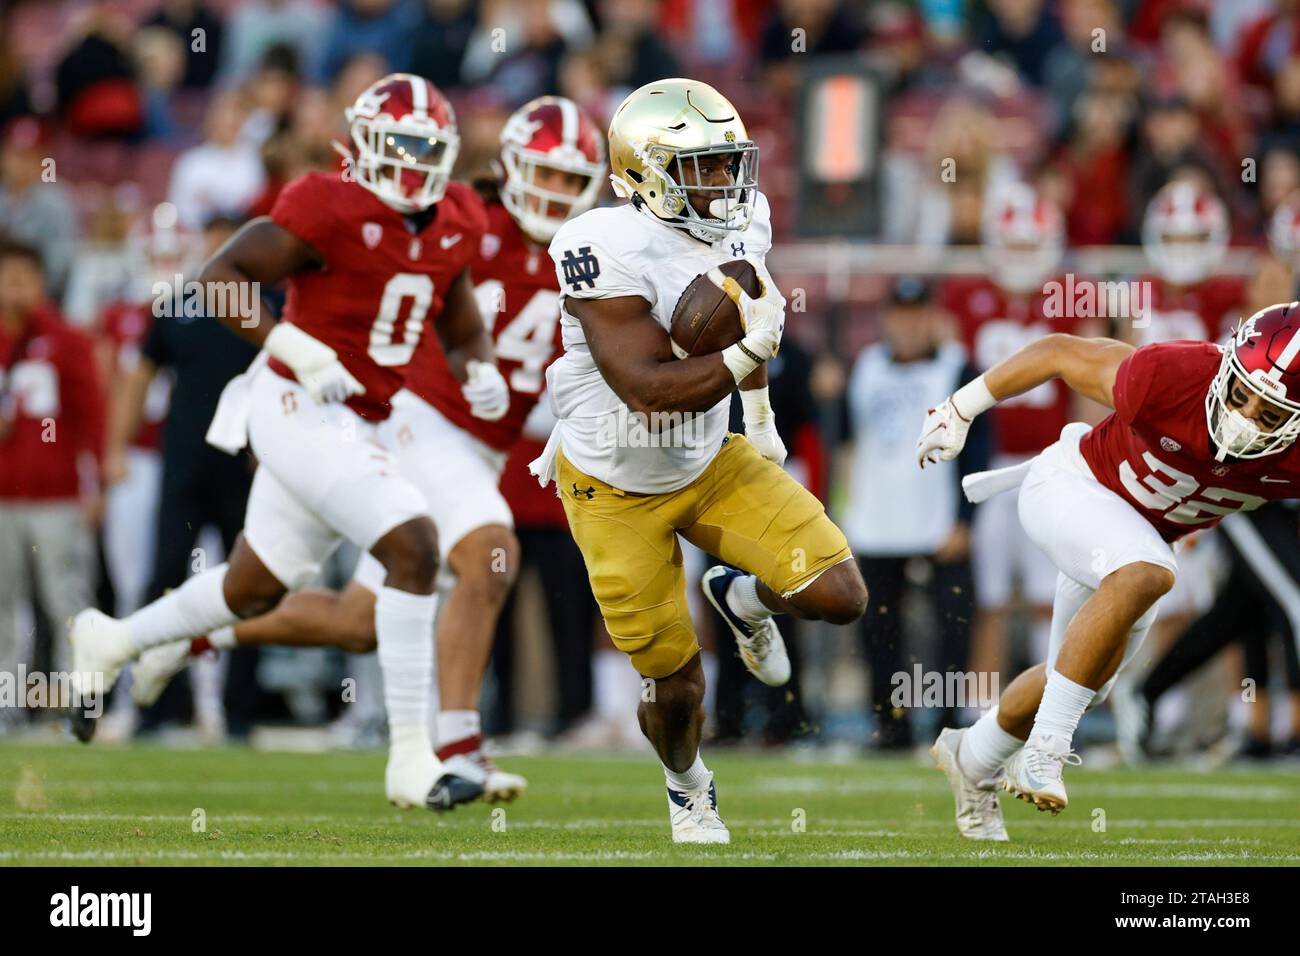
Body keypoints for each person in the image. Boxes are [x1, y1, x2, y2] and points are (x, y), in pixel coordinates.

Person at [128, 96, 607, 800]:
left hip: (481, 448)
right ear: (506, 166)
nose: (557, 193)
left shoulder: (593, 254)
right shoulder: (468, 219)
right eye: (545, 173)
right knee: (490, 554)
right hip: (419, 419)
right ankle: (460, 748)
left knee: (358, 623)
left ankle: (198, 636)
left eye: (572, 180)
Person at [69, 73, 508, 814]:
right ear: (363, 144)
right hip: (292, 398)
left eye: (425, 148)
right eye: (398, 144)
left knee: (252, 588)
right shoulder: (326, 203)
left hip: (359, 416)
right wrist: (290, 343)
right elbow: (219, 276)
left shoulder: (454, 217)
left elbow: (459, 324)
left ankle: (111, 640)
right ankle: (409, 756)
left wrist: (480, 367)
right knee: (413, 545)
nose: (410, 161)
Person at [535, 78, 869, 844]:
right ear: (645, 173)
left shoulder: (745, 216)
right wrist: (753, 349)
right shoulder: (596, 245)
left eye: (729, 163)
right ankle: (687, 785)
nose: (728, 183)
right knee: (677, 684)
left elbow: (741, 305)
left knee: (839, 593)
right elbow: (649, 389)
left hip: (707, 459)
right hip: (612, 482)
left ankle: (741, 597)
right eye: (706, 168)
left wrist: (760, 416)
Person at [919, 301, 1300, 841]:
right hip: (1073, 487)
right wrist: (960, 408)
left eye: (1270, 413)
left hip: (1126, 540)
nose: (1243, 420)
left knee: (1081, 675)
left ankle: (973, 755)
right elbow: (1057, 352)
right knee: (1150, 572)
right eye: (1241, 394)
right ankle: (1046, 751)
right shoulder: (1173, 376)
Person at [845, 277, 988, 748]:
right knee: (880, 630)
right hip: (877, 523)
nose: (907, 325)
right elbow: (846, 441)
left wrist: (966, 521)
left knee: (954, 623)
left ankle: (948, 718)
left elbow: (981, 449)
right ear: (886, 319)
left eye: (917, 314)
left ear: (933, 318)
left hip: (938, 522)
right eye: (899, 315)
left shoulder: (957, 368)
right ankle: (891, 722)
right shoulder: (863, 367)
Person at [0, 242, 106, 718]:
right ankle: (7, 701)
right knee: (4, 602)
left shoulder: (66, 339)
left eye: (26, 276)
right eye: (10, 276)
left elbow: (92, 415)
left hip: (56, 493)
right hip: (4, 494)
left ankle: (77, 695)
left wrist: (96, 482)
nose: (18, 287)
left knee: (65, 597)